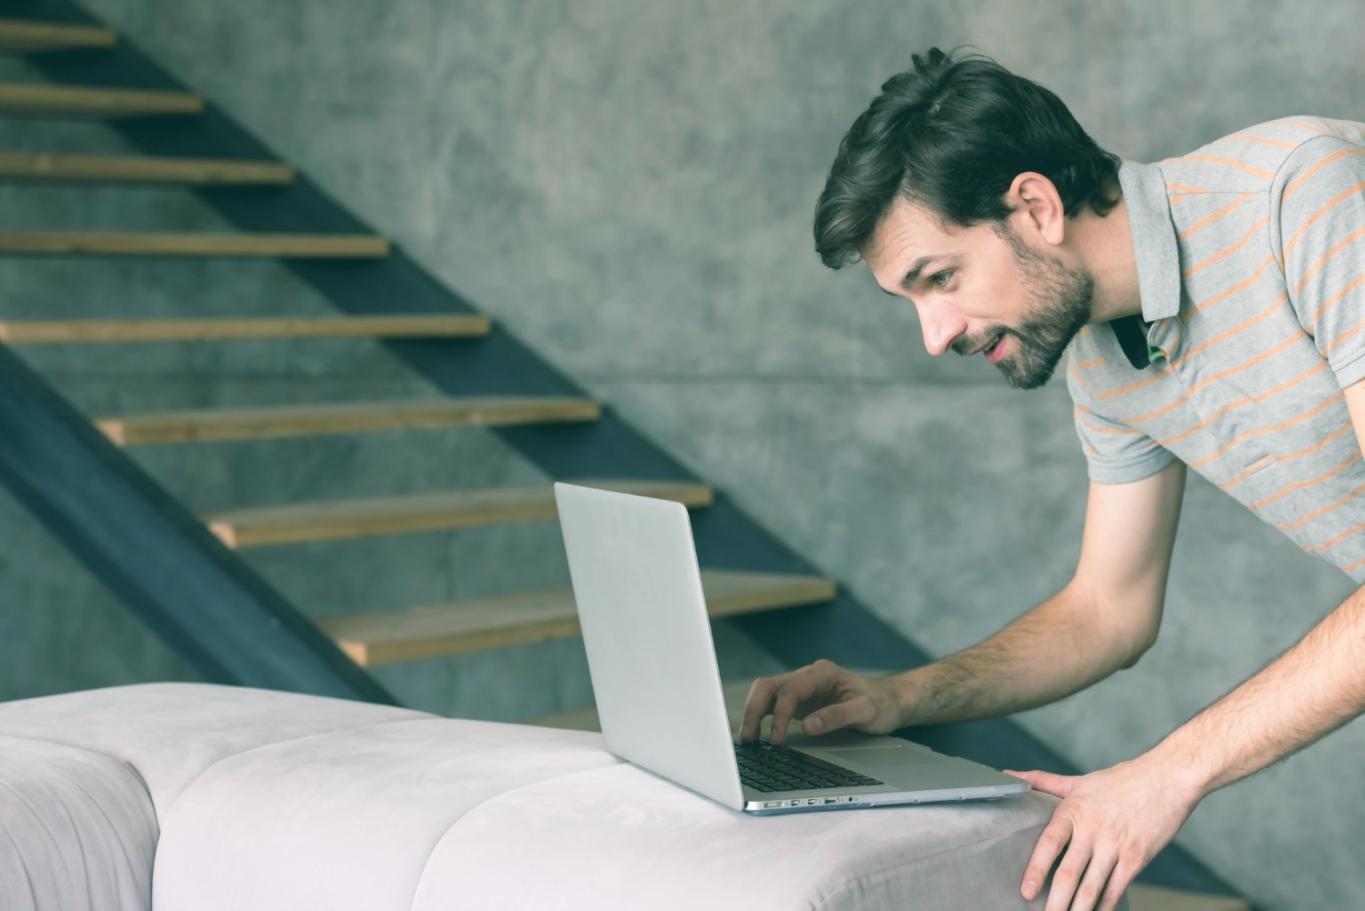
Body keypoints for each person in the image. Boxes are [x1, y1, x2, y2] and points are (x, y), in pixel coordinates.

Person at [739, 45, 1365, 911]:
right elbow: (1105, 612)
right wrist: (899, 696)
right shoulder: (1104, 363)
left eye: (940, 279)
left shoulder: (1308, 198)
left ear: (1033, 206)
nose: (934, 334)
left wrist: (1165, 773)